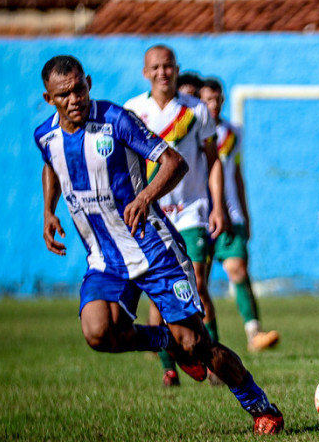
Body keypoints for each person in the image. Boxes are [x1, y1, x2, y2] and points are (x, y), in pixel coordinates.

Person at [34, 55, 283, 435]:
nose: (74, 99)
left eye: (79, 89)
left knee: (198, 343)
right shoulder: (45, 135)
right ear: (49, 98)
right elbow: (52, 165)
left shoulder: (116, 120)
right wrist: (49, 212)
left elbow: (174, 162)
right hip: (105, 257)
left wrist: (145, 196)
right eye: (63, 95)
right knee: (98, 333)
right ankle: (166, 339)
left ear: (88, 82)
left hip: (154, 249)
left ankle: (261, 405)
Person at [124, 45, 227, 387]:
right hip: (152, 214)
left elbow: (213, 161)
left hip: (192, 211)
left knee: (195, 284)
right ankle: (170, 366)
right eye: (155, 67)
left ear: (176, 69)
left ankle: (211, 361)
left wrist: (218, 205)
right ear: (145, 72)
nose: (162, 72)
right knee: (158, 292)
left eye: (168, 66)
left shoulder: (196, 110)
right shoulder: (132, 111)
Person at [199, 77, 280, 352]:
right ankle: (202, 343)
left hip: (231, 216)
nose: (212, 105)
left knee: (238, 269)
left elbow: (235, 173)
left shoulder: (233, 133)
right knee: (198, 282)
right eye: (206, 99)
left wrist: (245, 214)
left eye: (216, 99)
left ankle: (254, 332)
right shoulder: (189, 133)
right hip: (197, 217)